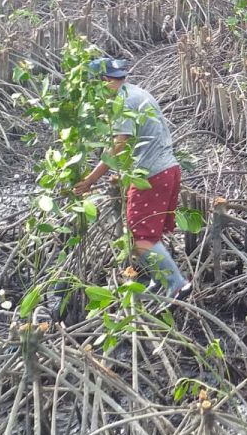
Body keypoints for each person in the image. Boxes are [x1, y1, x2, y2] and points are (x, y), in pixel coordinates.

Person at [73, 57, 192, 300]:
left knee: (141, 238)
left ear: (105, 81)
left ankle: (177, 284)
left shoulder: (123, 101)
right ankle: (158, 283)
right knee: (148, 234)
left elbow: (119, 145)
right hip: (167, 170)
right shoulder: (136, 92)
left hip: (151, 175)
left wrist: (89, 180)